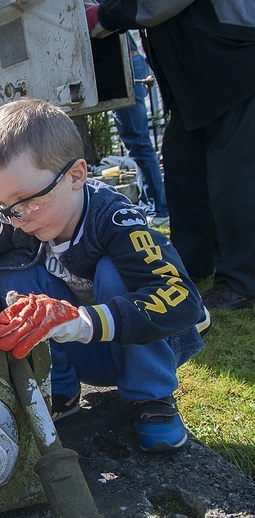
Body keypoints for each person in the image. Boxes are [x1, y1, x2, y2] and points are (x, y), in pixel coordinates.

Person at [0, 98, 211, 452]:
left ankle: (153, 397)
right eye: (0, 204)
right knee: (12, 274)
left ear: (76, 176)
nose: (16, 217)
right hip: (86, 353)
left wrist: (80, 320)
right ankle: (58, 389)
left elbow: (184, 300)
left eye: (27, 202)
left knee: (115, 273)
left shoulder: (116, 220)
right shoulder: (16, 215)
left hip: (142, 345)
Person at [85, 0, 255, 310]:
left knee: (232, 175)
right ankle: (191, 265)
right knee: (182, 166)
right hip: (194, 73)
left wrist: (105, 15)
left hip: (231, 54)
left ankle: (241, 283)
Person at [112, 31, 169, 226]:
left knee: (137, 142)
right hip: (127, 64)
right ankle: (152, 205)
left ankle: (158, 208)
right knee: (136, 143)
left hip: (126, 65)